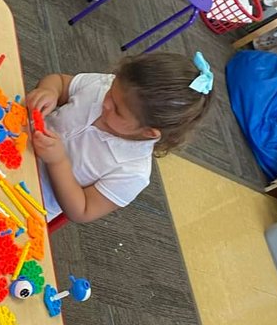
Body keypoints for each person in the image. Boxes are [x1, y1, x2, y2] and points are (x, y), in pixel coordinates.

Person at [25, 51, 213, 224]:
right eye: (111, 91)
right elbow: (60, 81)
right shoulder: (108, 86)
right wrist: (49, 91)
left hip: (27, 199)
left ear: (149, 132)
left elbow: (82, 211)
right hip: (15, 137)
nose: (105, 103)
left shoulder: (132, 172)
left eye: (117, 110)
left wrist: (58, 162)